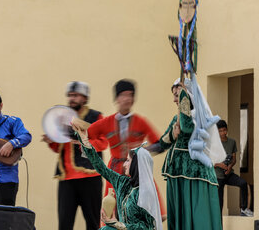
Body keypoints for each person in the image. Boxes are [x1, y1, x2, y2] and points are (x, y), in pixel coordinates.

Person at [87, 79, 166, 219]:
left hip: (137, 170)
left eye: (130, 95)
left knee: (141, 209)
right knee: (113, 211)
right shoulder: (106, 122)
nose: (127, 99)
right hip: (115, 170)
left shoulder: (141, 122)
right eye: (123, 95)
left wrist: (141, 151)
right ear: (117, 98)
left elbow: (159, 144)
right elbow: (88, 133)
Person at [72, 121, 162, 230]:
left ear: (135, 165)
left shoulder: (146, 192)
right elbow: (102, 168)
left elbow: (148, 227)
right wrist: (85, 140)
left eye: (128, 161)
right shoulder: (122, 183)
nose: (124, 164)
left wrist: (118, 225)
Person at [42, 81, 108, 230]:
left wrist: (84, 142)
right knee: (64, 224)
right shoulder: (62, 117)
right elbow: (59, 147)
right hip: (66, 180)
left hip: (90, 178)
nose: (72, 99)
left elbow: (103, 143)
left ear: (85, 98)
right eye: (70, 96)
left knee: (93, 224)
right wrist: (51, 140)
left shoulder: (96, 116)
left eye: (76, 95)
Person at [160, 80, 222, 229]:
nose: (174, 100)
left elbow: (187, 127)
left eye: (177, 95)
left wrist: (183, 98)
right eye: (175, 96)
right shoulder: (176, 119)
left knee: (197, 217)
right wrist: (172, 134)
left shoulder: (199, 118)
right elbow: (163, 142)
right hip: (177, 173)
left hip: (193, 174)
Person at [215, 120, 253, 217]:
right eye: (220, 131)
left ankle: (244, 209)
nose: (223, 133)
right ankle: (219, 225)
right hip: (218, 177)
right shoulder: (214, 144)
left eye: (224, 130)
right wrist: (220, 165)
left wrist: (229, 167)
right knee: (220, 203)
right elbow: (210, 162)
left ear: (227, 130)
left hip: (228, 174)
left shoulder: (232, 142)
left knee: (243, 183)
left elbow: (234, 159)